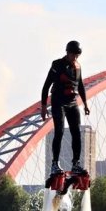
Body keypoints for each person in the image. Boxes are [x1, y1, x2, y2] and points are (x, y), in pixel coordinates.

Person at [40, 40, 91, 175]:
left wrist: (85, 104)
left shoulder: (78, 67)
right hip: (58, 102)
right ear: (67, 53)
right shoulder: (57, 65)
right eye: (73, 55)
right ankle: (55, 164)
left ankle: (76, 164)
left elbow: (80, 86)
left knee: (76, 133)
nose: (75, 57)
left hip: (72, 103)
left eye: (77, 55)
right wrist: (44, 107)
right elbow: (46, 86)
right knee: (59, 131)